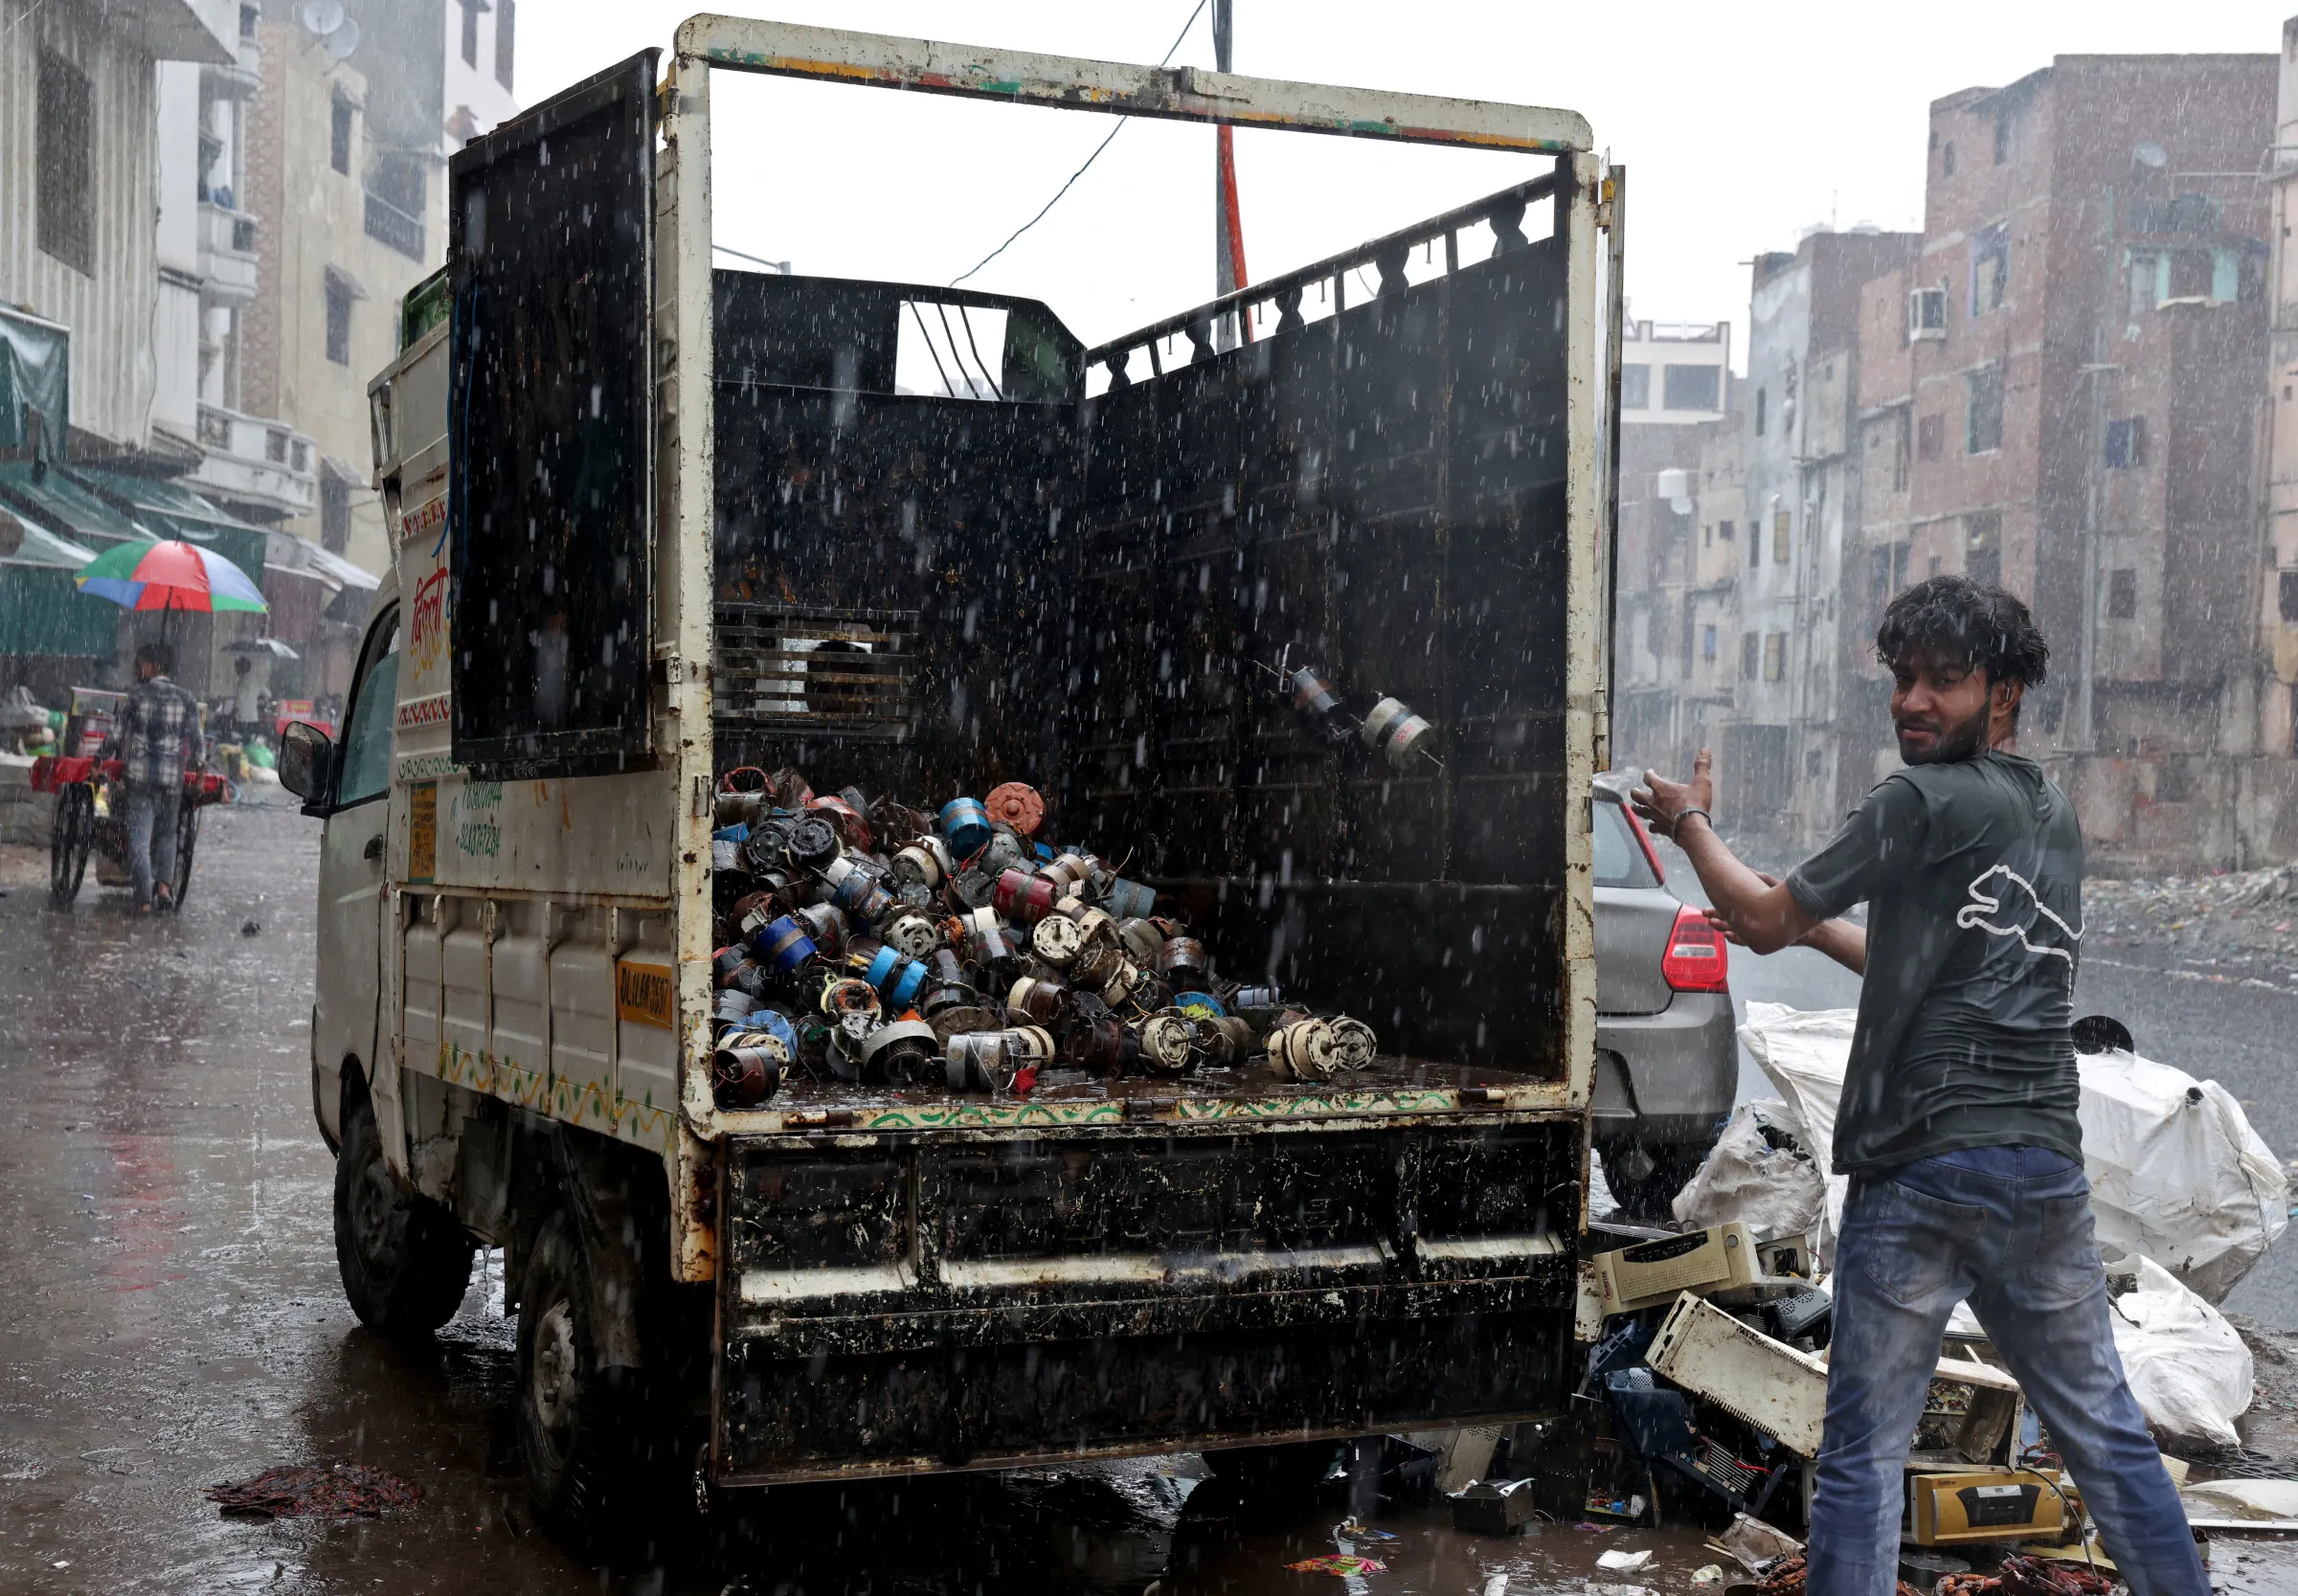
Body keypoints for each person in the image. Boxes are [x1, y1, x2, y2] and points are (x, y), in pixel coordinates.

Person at [1630, 575, 2204, 1596]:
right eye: (1903, 678)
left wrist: (1688, 823)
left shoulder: (1920, 798)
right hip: (2040, 1173)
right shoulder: (2049, 813)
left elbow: (1761, 920)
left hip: (1922, 1165)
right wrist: (1786, 907)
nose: (1914, 701)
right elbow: (1903, 958)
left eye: (1945, 679)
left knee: (1860, 1456)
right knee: (2109, 1435)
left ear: (2005, 690)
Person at [120, 641, 204, 913]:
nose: (138, 669)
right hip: (171, 780)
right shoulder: (186, 698)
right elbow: (196, 739)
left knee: (139, 841)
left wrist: (99, 760)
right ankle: (164, 887)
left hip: (140, 778)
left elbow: (116, 734)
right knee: (169, 834)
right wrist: (200, 767)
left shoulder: (136, 696)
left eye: (142, 663)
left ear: (154, 666)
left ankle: (144, 899)